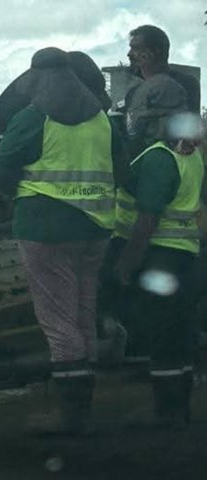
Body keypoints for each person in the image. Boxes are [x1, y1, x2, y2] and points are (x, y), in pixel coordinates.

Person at [0, 48, 122, 436]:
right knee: (83, 315)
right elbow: (122, 168)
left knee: (58, 322)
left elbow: (0, 173)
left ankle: (70, 417)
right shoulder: (102, 122)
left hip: (44, 230)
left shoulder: (33, 119)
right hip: (95, 230)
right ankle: (84, 408)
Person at [108, 103, 203, 429]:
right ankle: (179, 410)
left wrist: (126, 262)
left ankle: (167, 413)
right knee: (177, 332)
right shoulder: (190, 156)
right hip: (184, 255)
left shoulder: (161, 159)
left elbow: (148, 217)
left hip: (158, 257)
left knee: (161, 332)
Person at [123, 25, 200, 158]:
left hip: (176, 163)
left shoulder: (185, 84)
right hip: (142, 164)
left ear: (155, 51)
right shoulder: (133, 92)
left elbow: (189, 134)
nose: (129, 54)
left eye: (136, 48)